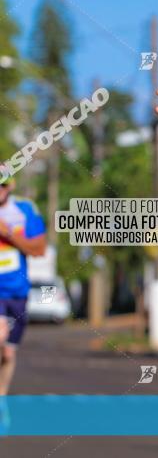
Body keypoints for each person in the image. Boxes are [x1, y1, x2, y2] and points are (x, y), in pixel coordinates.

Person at [0, 168, 47, 396]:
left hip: (17, 292)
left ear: (11, 185)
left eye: (3, 184)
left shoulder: (25, 210)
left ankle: (2, 397)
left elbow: (38, 249)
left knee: (8, 353)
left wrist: (8, 234)